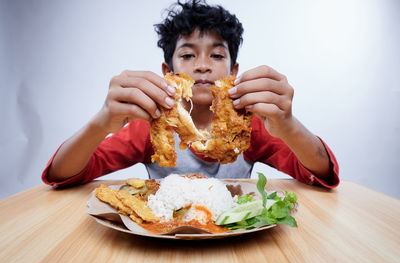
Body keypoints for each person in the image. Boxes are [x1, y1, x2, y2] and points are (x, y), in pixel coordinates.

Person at [42, 0, 339, 188]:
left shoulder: (250, 128)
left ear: (233, 72)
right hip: (164, 241)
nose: (202, 67)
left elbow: (319, 173)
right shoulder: (149, 126)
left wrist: (288, 125)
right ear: (167, 70)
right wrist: (100, 124)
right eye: (187, 55)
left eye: (217, 56)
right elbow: (63, 174)